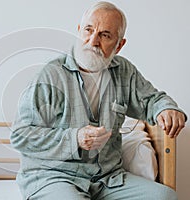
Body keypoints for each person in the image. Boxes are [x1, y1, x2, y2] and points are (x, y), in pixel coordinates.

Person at [10, 1, 186, 199]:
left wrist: (167, 109)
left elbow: (152, 100)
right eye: (88, 30)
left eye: (105, 35)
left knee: (165, 196)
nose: (93, 41)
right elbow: (21, 136)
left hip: (107, 178)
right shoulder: (51, 75)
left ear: (119, 45)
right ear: (79, 31)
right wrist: (75, 138)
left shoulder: (123, 71)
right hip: (54, 176)